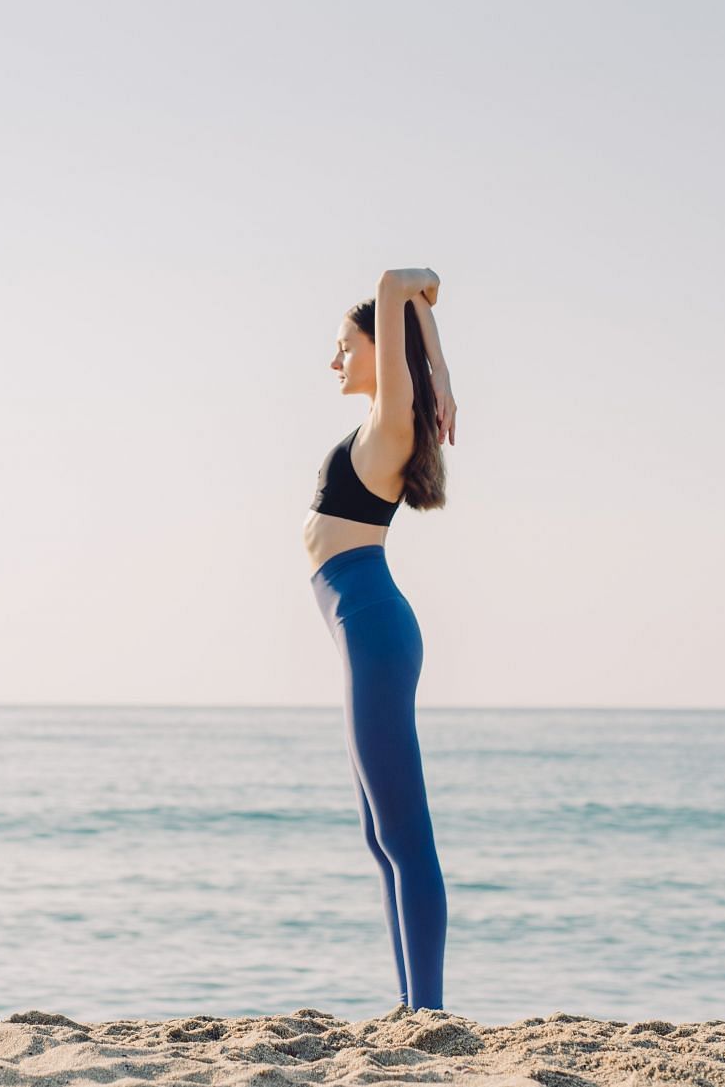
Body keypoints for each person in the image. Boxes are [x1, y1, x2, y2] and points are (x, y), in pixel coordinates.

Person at [303, 266, 456, 1011]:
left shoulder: (391, 422)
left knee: (405, 834)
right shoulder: (378, 423)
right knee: (380, 834)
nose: (335, 360)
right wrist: (431, 345)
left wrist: (435, 354)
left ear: (379, 348)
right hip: (359, 627)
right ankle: (409, 1005)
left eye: (344, 347)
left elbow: (401, 281)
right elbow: (407, 300)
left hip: (373, 630)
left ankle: (427, 1010)